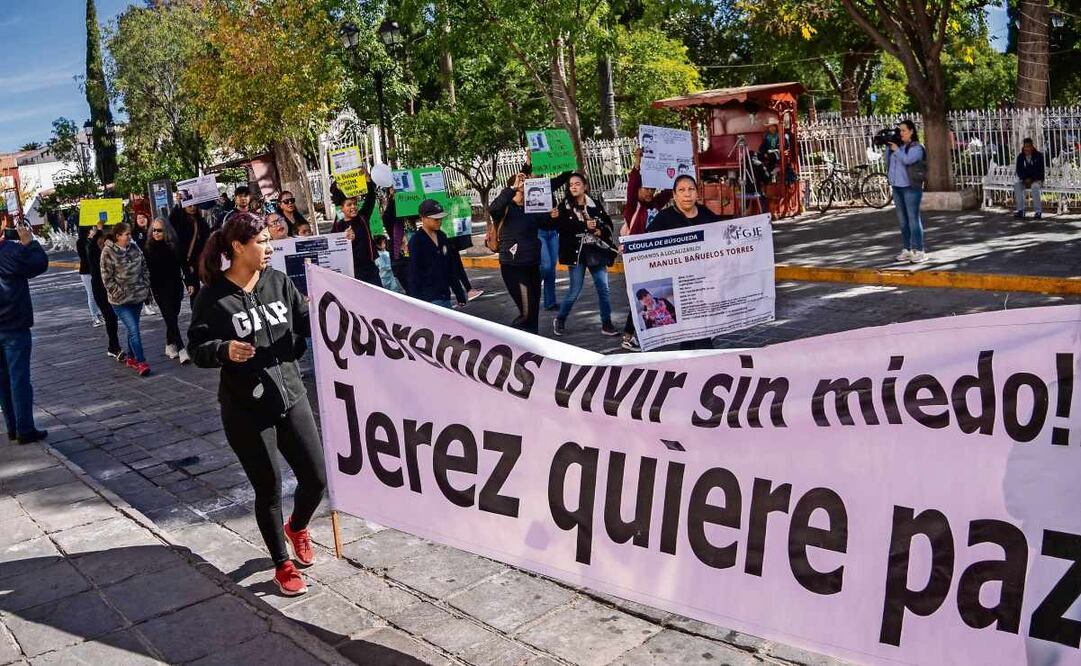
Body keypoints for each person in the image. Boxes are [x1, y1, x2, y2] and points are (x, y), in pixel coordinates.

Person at [188, 212, 326, 597]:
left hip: (291, 395)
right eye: (262, 241)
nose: (269, 247)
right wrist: (223, 349)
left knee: (315, 478)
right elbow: (195, 347)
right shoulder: (213, 297)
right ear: (237, 247)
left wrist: (320, 309)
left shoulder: (279, 282)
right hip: (246, 409)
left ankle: (297, 527)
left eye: (269, 240)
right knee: (268, 488)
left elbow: (303, 324)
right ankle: (282, 565)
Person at [648, 174, 721, 350]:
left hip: (704, 281)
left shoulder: (705, 213)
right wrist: (628, 248)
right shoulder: (664, 217)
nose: (687, 194)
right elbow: (646, 241)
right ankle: (708, 364)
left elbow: (723, 233)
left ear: (697, 193)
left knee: (693, 332)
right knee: (697, 332)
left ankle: (689, 365)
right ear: (674, 195)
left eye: (691, 189)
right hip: (682, 284)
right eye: (681, 190)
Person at [489, 172, 560, 334]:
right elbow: (493, 208)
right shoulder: (505, 207)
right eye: (521, 184)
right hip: (513, 267)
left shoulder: (532, 207)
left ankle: (532, 346)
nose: (525, 185)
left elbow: (546, 225)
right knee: (526, 312)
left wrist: (553, 217)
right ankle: (510, 340)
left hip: (532, 264)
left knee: (533, 311)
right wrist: (512, 188)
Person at [552, 173, 619, 337]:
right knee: (575, 291)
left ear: (585, 186)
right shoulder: (564, 206)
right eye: (571, 185)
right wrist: (580, 224)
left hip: (596, 251)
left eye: (577, 184)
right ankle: (560, 318)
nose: (574, 187)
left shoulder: (594, 204)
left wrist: (599, 229)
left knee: (604, 288)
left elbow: (607, 223)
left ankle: (607, 323)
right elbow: (561, 228)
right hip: (576, 253)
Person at [620, 146, 673, 351]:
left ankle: (631, 333)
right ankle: (630, 335)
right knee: (640, 294)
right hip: (635, 258)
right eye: (646, 189)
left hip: (651, 256)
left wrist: (677, 165)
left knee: (643, 293)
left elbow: (669, 191)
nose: (649, 192)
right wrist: (637, 161)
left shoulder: (655, 205)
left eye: (652, 189)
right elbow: (632, 186)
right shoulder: (633, 207)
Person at [0, 222, 48, 444]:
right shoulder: (11, 251)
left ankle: (12, 426)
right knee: (19, 378)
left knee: (2, 380)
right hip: (13, 324)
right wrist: (30, 242)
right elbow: (39, 263)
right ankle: (24, 428)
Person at [100, 223, 153, 376]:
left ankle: (130, 357)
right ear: (118, 236)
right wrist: (118, 292)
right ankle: (141, 361)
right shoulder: (108, 252)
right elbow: (107, 278)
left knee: (133, 329)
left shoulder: (135, 248)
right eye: (126, 234)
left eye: (130, 234)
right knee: (134, 330)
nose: (129, 236)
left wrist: (144, 285)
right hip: (120, 301)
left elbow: (144, 267)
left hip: (137, 296)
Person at [145, 219, 192, 364]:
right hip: (159, 287)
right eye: (154, 230)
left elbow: (184, 265)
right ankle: (181, 348)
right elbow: (145, 271)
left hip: (175, 285)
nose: (156, 233)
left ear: (166, 231)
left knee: (173, 316)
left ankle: (169, 344)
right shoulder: (148, 248)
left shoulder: (175, 246)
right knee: (169, 316)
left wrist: (189, 282)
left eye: (159, 230)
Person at [408, 200, 467, 308]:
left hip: (445, 295)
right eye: (436, 219)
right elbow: (414, 272)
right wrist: (416, 302)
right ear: (423, 218)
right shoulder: (416, 241)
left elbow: (450, 267)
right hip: (429, 298)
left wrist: (459, 293)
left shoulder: (442, 237)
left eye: (441, 218)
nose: (439, 221)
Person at [887, 119, 927, 263]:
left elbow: (908, 160)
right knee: (903, 221)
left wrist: (896, 150)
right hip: (897, 187)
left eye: (904, 130)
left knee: (913, 220)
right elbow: (890, 165)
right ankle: (907, 249)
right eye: (900, 130)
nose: (901, 133)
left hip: (911, 188)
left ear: (911, 131)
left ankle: (920, 250)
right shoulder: (898, 147)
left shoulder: (916, 148)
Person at [331, 174, 381, 286]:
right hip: (353, 273)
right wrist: (345, 240)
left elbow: (371, 199)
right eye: (349, 205)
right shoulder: (338, 226)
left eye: (355, 204)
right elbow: (333, 247)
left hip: (370, 269)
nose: (353, 207)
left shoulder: (363, 217)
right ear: (342, 208)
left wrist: (368, 181)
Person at [89, 224, 125, 362]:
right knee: (110, 316)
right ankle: (115, 347)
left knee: (114, 317)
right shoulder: (94, 252)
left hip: (114, 287)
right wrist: (98, 230)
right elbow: (91, 246)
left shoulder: (114, 253)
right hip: (100, 288)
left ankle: (113, 347)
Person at [171, 203, 211, 307]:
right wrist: (178, 203)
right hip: (188, 262)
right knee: (194, 291)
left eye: (194, 205)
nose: (192, 208)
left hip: (203, 260)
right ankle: (196, 315)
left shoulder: (201, 221)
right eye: (189, 206)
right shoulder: (180, 222)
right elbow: (171, 220)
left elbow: (208, 238)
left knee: (211, 287)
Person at [76, 226, 104, 327]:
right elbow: (85, 256)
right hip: (86, 272)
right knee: (91, 294)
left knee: (100, 292)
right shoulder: (81, 242)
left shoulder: (92, 241)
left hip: (96, 271)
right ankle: (94, 317)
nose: (94, 231)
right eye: (92, 229)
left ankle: (100, 313)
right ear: (87, 231)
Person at [1014, 138, 1045, 220]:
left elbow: (1039, 171)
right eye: (1025, 146)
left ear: (1032, 147)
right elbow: (1019, 170)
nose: (1027, 148)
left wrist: (1031, 179)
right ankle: (1021, 211)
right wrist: (1025, 178)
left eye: (1028, 146)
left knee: (1035, 187)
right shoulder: (1020, 157)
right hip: (1025, 180)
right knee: (1017, 186)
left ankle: (1038, 212)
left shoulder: (1038, 156)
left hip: (1037, 179)